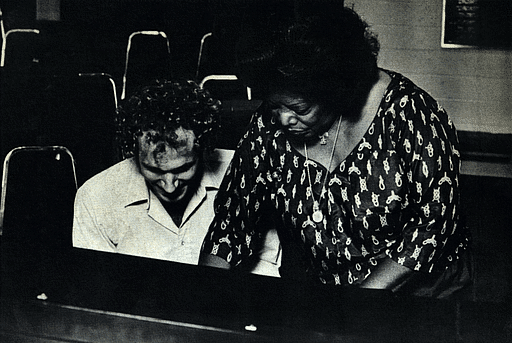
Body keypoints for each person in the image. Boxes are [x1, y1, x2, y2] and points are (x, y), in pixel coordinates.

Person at [200, 7, 471, 297]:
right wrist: (204, 297)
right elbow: (232, 220)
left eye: (299, 109)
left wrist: (349, 308)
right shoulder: (269, 124)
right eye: (274, 104)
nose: (282, 119)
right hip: (319, 296)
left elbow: (432, 227)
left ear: (339, 90)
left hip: (417, 297)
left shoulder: (413, 117)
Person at [73, 79, 281, 276]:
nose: (170, 186)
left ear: (204, 148)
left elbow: (265, 269)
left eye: (183, 169)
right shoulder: (95, 196)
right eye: (154, 170)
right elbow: (97, 283)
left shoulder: (247, 175)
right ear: (133, 154)